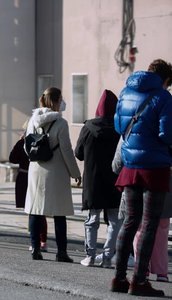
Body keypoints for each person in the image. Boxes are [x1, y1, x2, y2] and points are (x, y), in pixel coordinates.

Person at [110, 59, 172, 297]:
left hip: (130, 165)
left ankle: (118, 277)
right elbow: (166, 134)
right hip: (154, 167)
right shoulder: (164, 97)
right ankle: (139, 281)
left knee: (129, 221)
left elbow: (118, 126)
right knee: (149, 224)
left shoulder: (126, 92)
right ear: (166, 79)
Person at [24, 87, 81, 262]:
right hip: (56, 170)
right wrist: (75, 172)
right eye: (60, 99)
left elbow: (26, 145)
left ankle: (35, 248)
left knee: (36, 210)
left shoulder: (33, 120)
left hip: (36, 168)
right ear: (55, 102)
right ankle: (61, 252)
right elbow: (66, 150)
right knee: (59, 212)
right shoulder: (61, 123)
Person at [113, 138, 172, 283]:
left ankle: (140, 270)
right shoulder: (165, 127)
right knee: (161, 229)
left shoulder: (128, 129)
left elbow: (116, 164)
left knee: (137, 227)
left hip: (133, 178)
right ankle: (161, 272)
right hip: (162, 180)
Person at [74, 89, 122, 268]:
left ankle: (90, 256)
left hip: (93, 180)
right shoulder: (119, 128)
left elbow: (78, 153)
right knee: (115, 220)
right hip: (114, 179)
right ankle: (108, 257)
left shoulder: (88, 128)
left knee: (92, 219)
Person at [9, 120, 48, 252]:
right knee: (39, 210)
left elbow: (12, 158)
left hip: (24, 177)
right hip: (40, 176)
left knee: (32, 210)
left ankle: (36, 241)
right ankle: (42, 240)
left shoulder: (23, 142)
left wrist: (20, 142)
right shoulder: (43, 141)